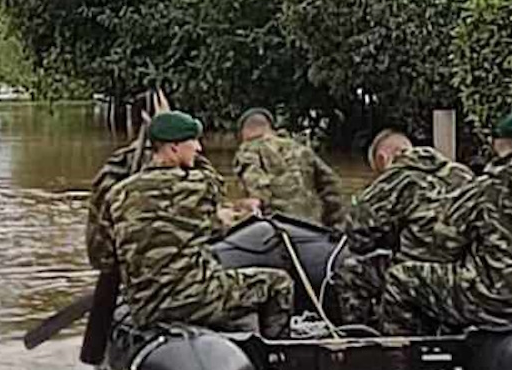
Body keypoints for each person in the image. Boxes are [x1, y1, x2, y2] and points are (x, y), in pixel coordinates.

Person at [379, 111, 512, 335]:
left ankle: (406, 361)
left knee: (399, 278)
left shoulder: (483, 189)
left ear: (497, 144)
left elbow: (441, 244)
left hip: (486, 304)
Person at [107, 111, 294, 337]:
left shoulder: (117, 194)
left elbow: (102, 256)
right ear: (174, 147)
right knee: (280, 284)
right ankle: (276, 355)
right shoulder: (199, 185)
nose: (199, 148)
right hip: (195, 298)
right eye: (193, 141)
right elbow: (216, 184)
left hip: (145, 309)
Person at [333, 130, 476, 328]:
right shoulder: (464, 173)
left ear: (383, 159)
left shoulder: (395, 177)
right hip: (463, 276)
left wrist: (388, 238)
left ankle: (363, 336)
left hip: (415, 275)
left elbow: (358, 236)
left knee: (350, 271)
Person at [85, 90, 222, 271]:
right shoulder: (195, 180)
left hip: (125, 269)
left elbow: (100, 248)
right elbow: (214, 190)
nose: (199, 147)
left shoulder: (115, 171)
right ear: (173, 144)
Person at [232, 108, 346, 228]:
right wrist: (334, 223)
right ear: (271, 128)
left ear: (244, 132)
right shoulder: (299, 148)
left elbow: (253, 180)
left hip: (278, 225)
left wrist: (255, 202)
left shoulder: (248, 149)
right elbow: (332, 184)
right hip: (312, 224)